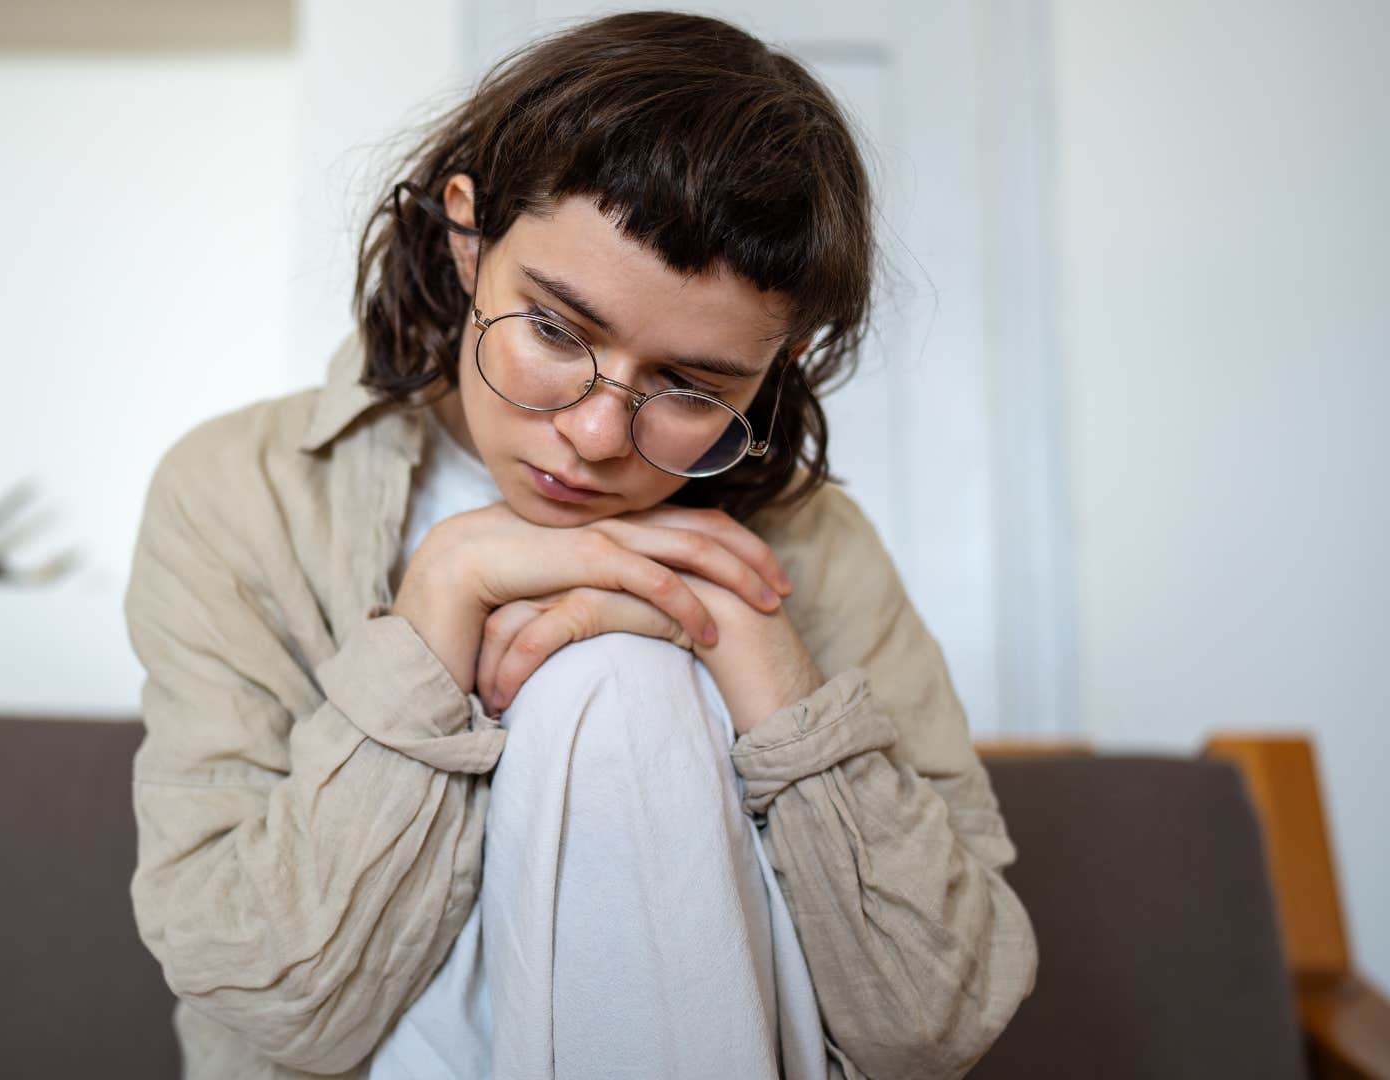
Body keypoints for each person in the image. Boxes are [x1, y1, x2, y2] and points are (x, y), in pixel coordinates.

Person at [123, 11, 1037, 1080]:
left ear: (775, 367)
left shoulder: (813, 545)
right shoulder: (244, 490)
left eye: (693, 388)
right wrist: (439, 606)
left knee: (622, 678)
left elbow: (940, 1024)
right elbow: (275, 999)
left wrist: (752, 654)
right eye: (556, 330)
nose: (599, 439)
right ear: (468, 237)